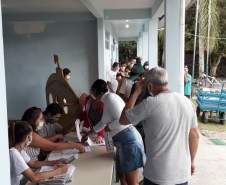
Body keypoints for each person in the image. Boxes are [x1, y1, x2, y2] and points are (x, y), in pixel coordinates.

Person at [120, 67, 199, 185]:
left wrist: (136, 92)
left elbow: (123, 120)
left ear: (150, 86)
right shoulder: (186, 102)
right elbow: (195, 135)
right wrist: (192, 161)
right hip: (182, 173)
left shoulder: (150, 104)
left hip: (157, 175)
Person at [89, 79, 145, 185]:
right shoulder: (107, 99)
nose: (92, 95)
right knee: (122, 178)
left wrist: (109, 127)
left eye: (92, 92)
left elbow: (122, 119)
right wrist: (91, 132)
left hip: (129, 141)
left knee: (131, 182)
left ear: (96, 91)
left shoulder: (110, 98)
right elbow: (103, 122)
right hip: (123, 142)